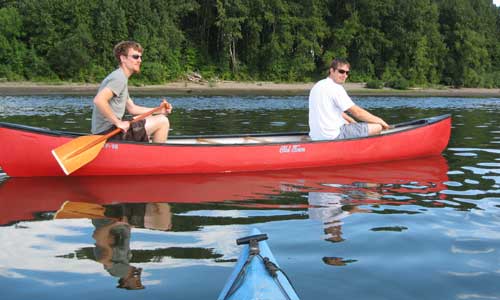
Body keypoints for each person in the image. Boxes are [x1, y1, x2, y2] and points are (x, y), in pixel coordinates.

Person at [91, 40, 172, 143]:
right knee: (162, 121)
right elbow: (99, 100)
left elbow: (132, 108)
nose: (139, 60)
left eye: (140, 57)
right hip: (108, 134)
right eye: (135, 57)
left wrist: (159, 110)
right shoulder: (119, 78)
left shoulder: (121, 77)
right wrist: (118, 122)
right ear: (123, 58)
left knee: (148, 117)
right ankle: (156, 157)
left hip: (110, 131)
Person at [308, 58, 389, 140]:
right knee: (377, 126)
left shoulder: (318, 85)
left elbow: (337, 112)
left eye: (347, 72)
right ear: (332, 70)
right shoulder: (336, 88)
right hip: (333, 136)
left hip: (316, 136)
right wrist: (380, 120)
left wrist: (352, 121)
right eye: (341, 71)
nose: (345, 75)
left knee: (348, 123)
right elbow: (358, 113)